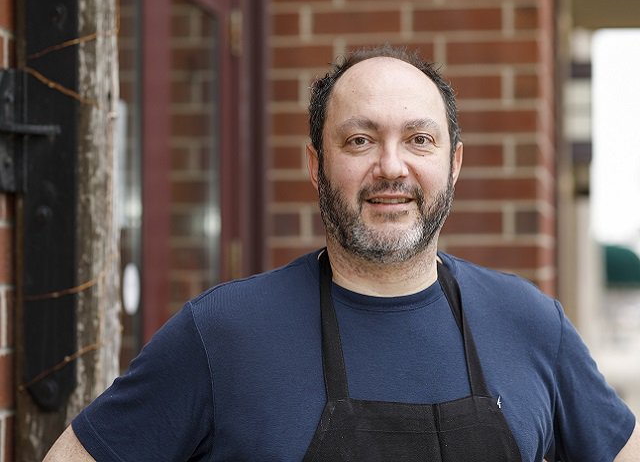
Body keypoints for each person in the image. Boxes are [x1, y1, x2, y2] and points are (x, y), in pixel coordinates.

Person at [45, 45, 639, 461]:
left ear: (453, 164)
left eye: (419, 140)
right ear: (316, 165)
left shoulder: (532, 323)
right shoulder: (222, 333)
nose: (390, 166)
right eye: (360, 139)